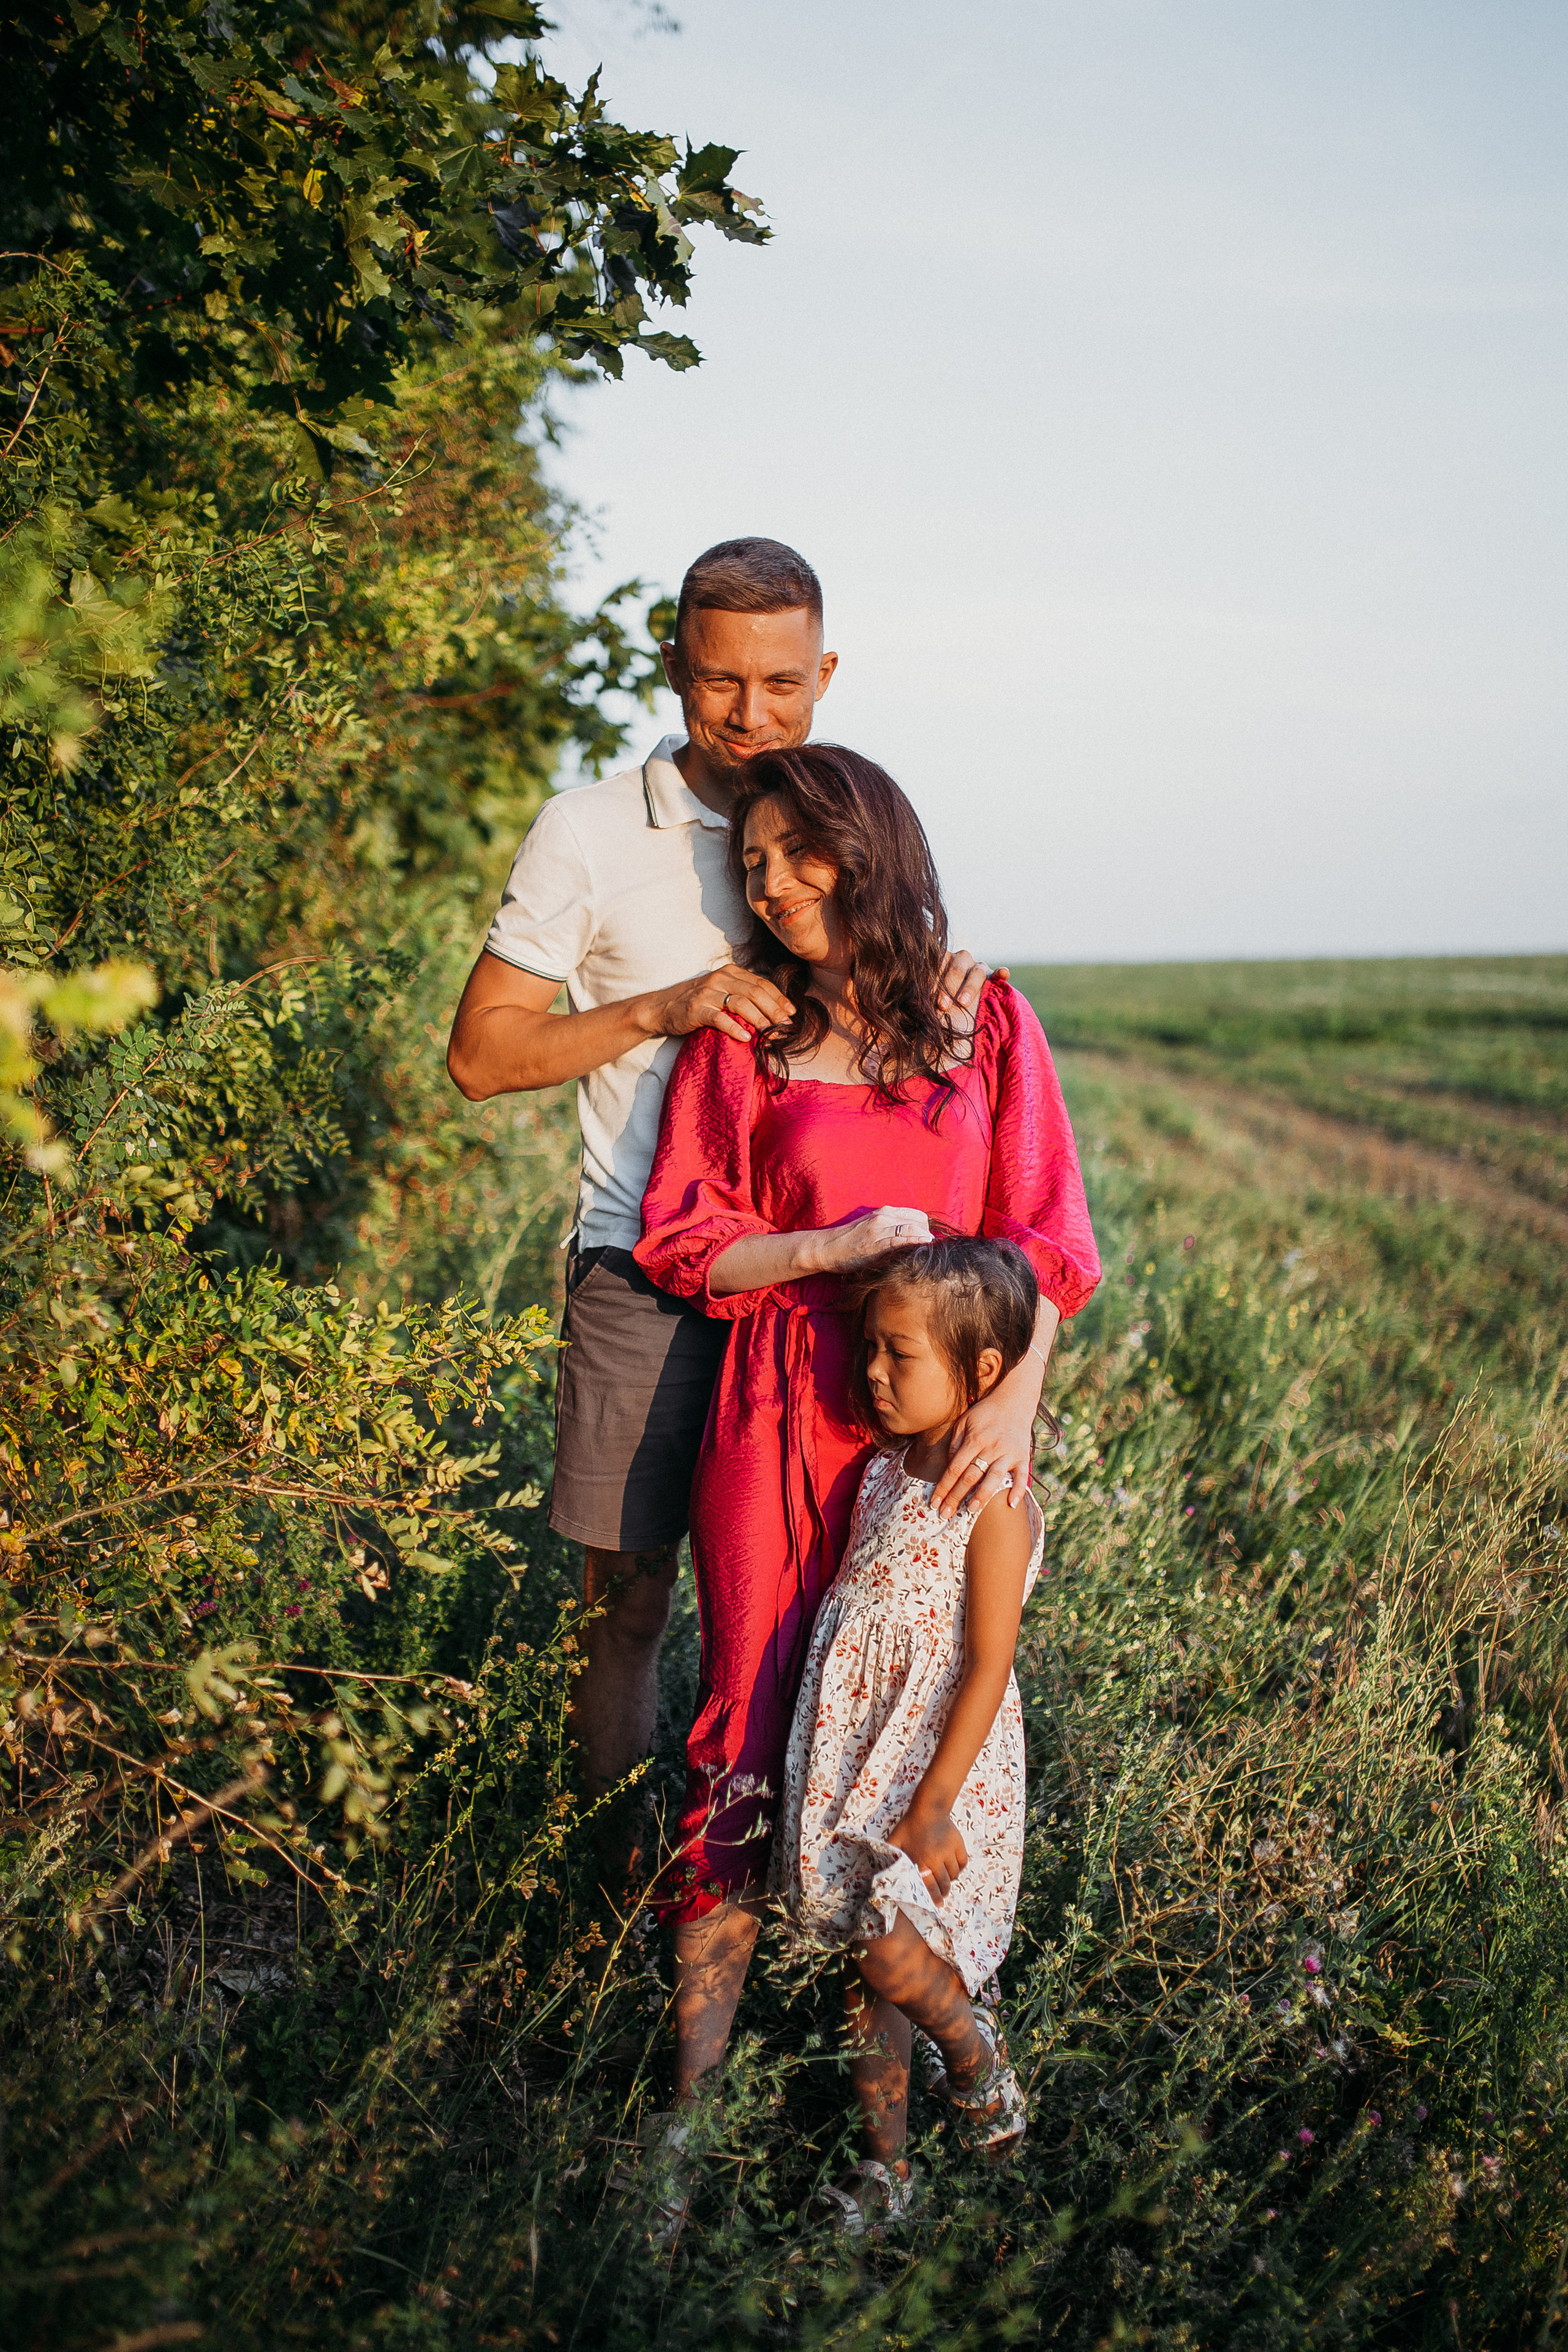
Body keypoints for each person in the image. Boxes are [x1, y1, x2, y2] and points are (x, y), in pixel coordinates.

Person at [445, 539, 991, 1902]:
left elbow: (892, 1000)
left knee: (831, 1608)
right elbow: (481, 1055)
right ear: (671, 667)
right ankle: (604, 1894)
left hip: (829, 1291)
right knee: (626, 1606)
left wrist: (953, 971)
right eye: (716, 684)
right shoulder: (587, 832)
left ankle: (813, 1896)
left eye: (781, 685)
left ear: (825, 673)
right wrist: (663, 1008)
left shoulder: (831, 816)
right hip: (650, 1272)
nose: (750, 718)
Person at [633, 744, 1100, 2102]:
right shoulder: (748, 1043)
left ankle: (886, 2130)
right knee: (741, 1722)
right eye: (753, 864)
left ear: (872, 853)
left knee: (902, 1731)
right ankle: (690, 2111)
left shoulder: (988, 1026)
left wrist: (1009, 1410)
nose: (770, 887)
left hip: (937, 1432)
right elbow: (684, 1243)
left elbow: (1048, 1243)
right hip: (777, 1414)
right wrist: (821, 1248)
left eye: (797, 855)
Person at [777, 1237, 1046, 2231]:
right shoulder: (884, 1472)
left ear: (980, 1374)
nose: (874, 1374)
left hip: (940, 1771)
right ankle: (885, 2170)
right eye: (870, 1350)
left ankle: (973, 2054)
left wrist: (933, 1804)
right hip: (863, 1755)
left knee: (895, 1955)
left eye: (901, 1355)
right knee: (864, 1972)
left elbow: (986, 1661)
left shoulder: (995, 1501)